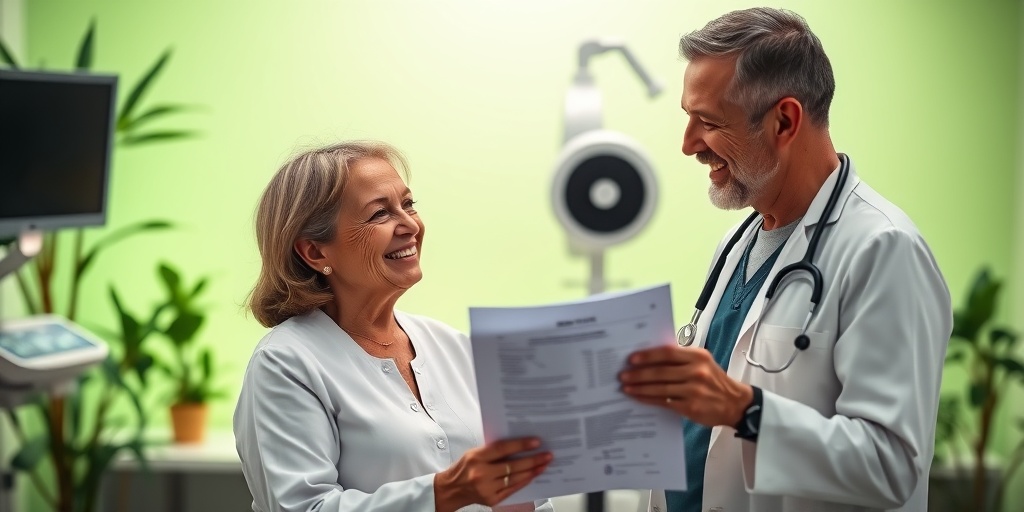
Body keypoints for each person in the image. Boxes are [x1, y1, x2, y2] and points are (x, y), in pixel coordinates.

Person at [618, 8, 952, 512]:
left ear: (784, 120)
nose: (687, 146)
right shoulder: (737, 244)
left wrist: (743, 410)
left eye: (707, 122)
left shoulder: (884, 250)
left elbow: (892, 466)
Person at [234, 140, 554, 512]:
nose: (410, 226)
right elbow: (305, 508)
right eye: (379, 214)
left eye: (409, 205)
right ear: (315, 252)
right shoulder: (285, 364)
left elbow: (520, 493)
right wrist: (447, 491)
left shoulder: (455, 347)